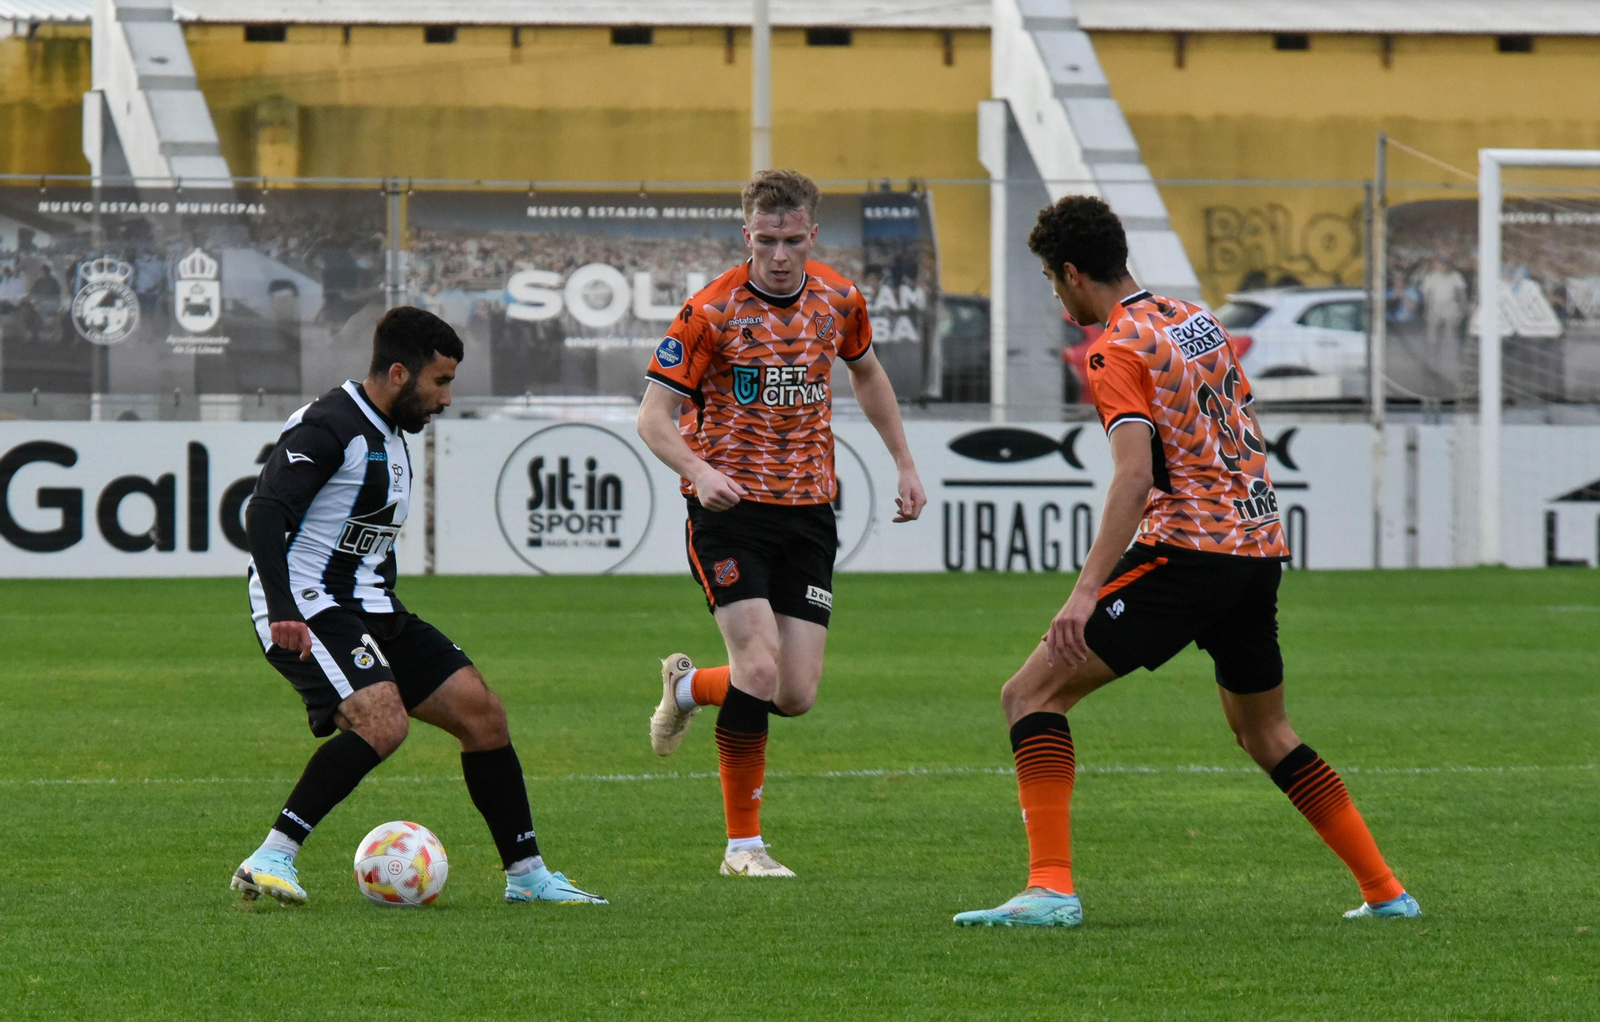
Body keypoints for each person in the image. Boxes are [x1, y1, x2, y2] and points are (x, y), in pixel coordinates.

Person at [953, 196, 1419, 928]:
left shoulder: (1116, 349)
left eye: (1051, 279)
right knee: (1266, 732)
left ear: (1073, 274)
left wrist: (1084, 594)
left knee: (1030, 696)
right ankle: (1387, 891)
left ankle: (1050, 889)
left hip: (1189, 551)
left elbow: (1134, 477)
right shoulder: (1192, 316)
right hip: (1257, 546)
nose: (1055, 293)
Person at [232, 306, 606, 907]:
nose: (448, 398)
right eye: (441, 382)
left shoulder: (392, 432)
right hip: (310, 601)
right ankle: (271, 856)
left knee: (482, 715)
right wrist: (282, 608)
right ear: (400, 374)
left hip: (373, 606)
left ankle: (528, 878)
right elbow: (266, 511)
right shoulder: (331, 425)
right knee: (383, 723)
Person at [636, 169, 927, 877]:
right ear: (747, 235)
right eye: (766, 241)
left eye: (792, 240)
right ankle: (744, 848)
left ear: (812, 235)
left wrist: (905, 463)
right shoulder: (709, 311)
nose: (779, 256)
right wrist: (701, 473)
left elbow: (867, 373)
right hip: (728, 514)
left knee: (792, 693)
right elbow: (652, 417)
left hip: (809, 514)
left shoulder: (839, 298)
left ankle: (686, 688)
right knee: (759, 668)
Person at [1420, 259, 1467, 347]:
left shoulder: (1456, 275)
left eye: (1446, 265)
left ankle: (1450, 353)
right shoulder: (1431, 276)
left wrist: (1463, 308)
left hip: (1451, 306)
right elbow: (1426, 295)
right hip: (1434, 306)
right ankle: (1432, 352)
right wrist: (1426, 309)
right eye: (1441, 265)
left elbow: (1461, 292)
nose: (1443, 267)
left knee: (1451, 332)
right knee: (1432, 333)